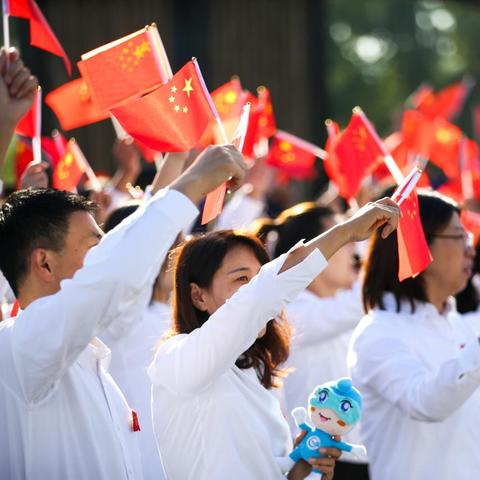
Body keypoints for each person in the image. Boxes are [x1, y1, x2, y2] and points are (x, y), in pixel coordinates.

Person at [0, 143, 248, 479]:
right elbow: (117, 273)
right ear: (44, 263)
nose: (104, 255)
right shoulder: (19, 348)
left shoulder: (87, 360)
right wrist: (195, 182)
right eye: (94, 246)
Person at [148, 198, 399, 480]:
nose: (256, 292)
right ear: (198, 296)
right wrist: (346, 232)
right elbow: (261, 297)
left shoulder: (255, 371)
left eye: (258, 277)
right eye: (242, 279)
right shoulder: (177, 357)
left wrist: (302, 470)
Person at [348, 190, 480, 480]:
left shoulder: (462, 325)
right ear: (419, 246)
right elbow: (425, 403)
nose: (470, 249)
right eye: (460, 237)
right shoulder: (378, 334)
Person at [254, 202, 368, 479]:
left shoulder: (340, 305)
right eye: (343, 240)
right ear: (318, 252)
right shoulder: (291, 311)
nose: (354, 251)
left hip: (349, 457)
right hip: (309, 459)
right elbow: (366, 297)